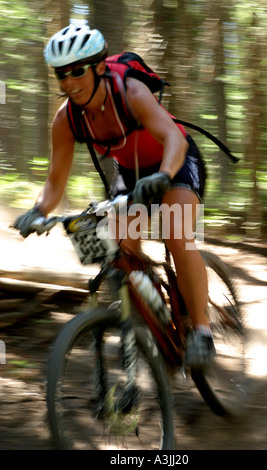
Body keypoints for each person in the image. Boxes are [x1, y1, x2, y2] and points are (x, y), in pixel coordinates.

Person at [14, 24, 215, 368]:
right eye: (61, 75)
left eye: (77, 71)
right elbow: (54, 181)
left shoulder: (131, 91)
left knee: (177, 233)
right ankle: (151, 322)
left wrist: (164, 176)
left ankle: (202, 331)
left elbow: (174, 139)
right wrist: (38, 210)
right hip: (131, 174)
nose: (69, 82)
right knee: (117, 248)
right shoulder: (66, 119)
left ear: (99, 67)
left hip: (176, 161)